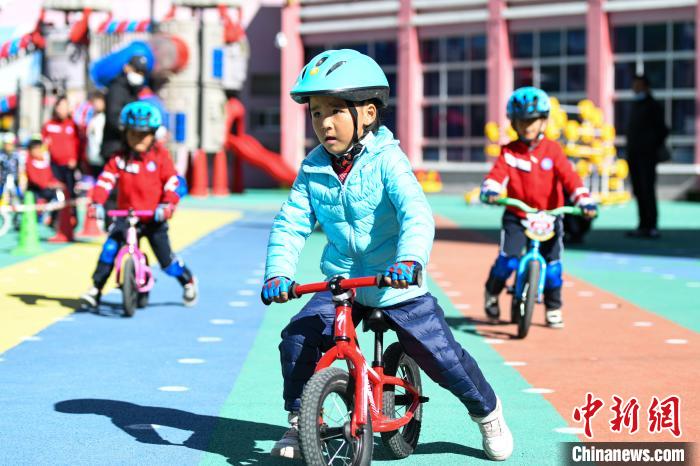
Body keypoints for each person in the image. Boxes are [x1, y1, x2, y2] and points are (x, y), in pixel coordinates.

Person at [261, 49, 513, 462]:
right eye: (316, 112)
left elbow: (417, 213)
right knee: (299, 338)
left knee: (441, 356)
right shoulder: (313, 169)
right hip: (343, 284)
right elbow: (291, 224)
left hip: (396, 283)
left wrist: (409, 261)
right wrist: (279, 273)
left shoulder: (387, 161)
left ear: (369, 113)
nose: (324, 122)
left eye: (336, 111)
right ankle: (302, 421)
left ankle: (486, 412)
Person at [481, 87, 598, 329]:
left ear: (543, 121)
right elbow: (497, 174)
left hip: (550, 215)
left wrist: (584, 200)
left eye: (532, 121)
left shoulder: (553, 151)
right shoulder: (510, 151)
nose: (527, 126)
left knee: (553, 266)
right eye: (522, 121)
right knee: (509, 260)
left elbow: (570, 178)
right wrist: (490, 190)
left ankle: (553, 307)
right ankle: (492, 292)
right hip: (518, 214)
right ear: (514, 123)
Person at [80, 101, 198, 309]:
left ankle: (187, 281)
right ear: (124, 133)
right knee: (109, 249)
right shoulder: (119, 158)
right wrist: (97, 202)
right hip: (126, 216)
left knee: (166, 261)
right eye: (132, 133)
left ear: (153, 134)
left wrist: (168, 204)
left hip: (154, 217)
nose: (138, 139)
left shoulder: (160, 156)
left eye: (144, 134)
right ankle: (96, 289)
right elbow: (106, 180)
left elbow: (173, 182)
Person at [625, 74, 668, 239]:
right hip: (634, 156)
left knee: (647, 190)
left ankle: (652, 226)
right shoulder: (635, 105)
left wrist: (649, 147)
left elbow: (662, 130)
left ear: (646, 87)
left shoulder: (653, 105)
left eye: (638, 85)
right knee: (638, 191)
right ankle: (643, 225)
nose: (635, 88)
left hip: (647, 157)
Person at [100, 54, 149, 162]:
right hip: (115, 149)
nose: (139, 75)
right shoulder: (116, 89)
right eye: (137, 71)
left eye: (142, 73)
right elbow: (114, 118)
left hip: (128, 148)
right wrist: (136, 131)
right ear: (127, 68)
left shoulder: (134, 91)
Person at [42, 95, 80, 199]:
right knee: (55, 194)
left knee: (71, 193)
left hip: (69, 166)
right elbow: (43, 143)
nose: (62, 110)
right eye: (60, 106)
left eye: (65, 106)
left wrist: (74, 159)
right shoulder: (49, 125)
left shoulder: (73, 125)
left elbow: (78, 143)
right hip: (54, 166)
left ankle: (72, 214)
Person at [25, 136, 65, 225]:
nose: (38, 151)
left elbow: (51, 176)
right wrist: (48, 184)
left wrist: (57, 184)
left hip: (47, 189)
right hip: (36, 190)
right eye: (35, 149)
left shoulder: (44, 162)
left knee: (60, 197)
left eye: (39, 148)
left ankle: (53, 218)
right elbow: (34, 179)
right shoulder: (29, 162)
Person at [86, 91, 107, 177]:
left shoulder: (105, 118)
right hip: (93, 160)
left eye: (99, 102)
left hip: (102, 158)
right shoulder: (92, 118)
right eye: (95, 102)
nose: (97, 105)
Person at [0, 133, 21, 201]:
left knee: (19, 197)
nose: (8, 146)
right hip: (3, 182)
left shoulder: (17, 156)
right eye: (7, 144)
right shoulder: (1, 156)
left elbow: (19, 169)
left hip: (15, 181)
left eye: (10, 144)